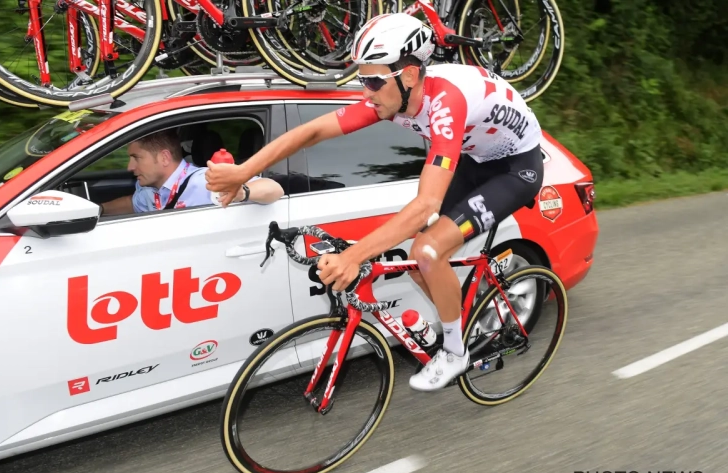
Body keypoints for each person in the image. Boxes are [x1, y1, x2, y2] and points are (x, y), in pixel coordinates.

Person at [204, 13, 544, 392]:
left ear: (410, 75)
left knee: (428, 249)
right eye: (361, 78)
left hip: (516, 169)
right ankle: (460, 324)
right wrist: (243, 172)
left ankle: (454, 351)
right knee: (421, 262)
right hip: (475, 157)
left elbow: (425, 205)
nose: (365, 91)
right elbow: (313, 130)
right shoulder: (392, 94)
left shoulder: (445, 104)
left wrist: (354, 257)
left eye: (372, 80)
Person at [102, 129, 283, 215]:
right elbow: (131, 203)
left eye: (136, 158)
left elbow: (274, 189)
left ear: (164, 158)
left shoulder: (205, 180)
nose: (130, 167)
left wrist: (242, 191)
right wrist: (99, 210)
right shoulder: (150, 191)